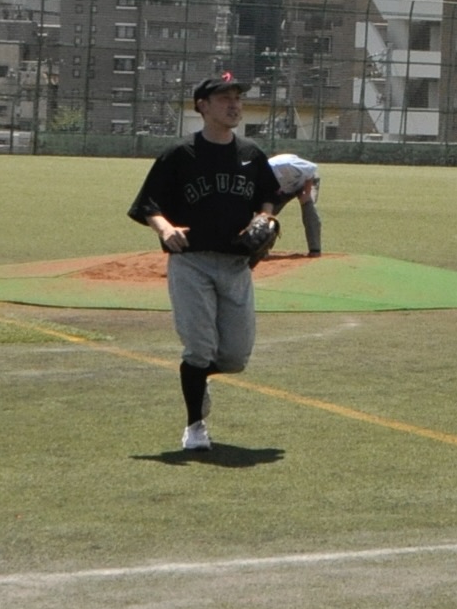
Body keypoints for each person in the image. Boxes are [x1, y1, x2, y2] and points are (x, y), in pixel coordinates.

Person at [128, 72, 287, 454]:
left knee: (234, 357)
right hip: (191, 262)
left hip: (236, 266)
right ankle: (194, 426)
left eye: (237, 98)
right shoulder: (180, 154)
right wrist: (165, 228)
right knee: (199, 348)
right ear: (202, 106)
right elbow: (149, 204)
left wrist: (265, 216)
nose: (234, 105)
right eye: (224, 98)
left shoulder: (251, 153)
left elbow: (267, 196)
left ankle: (199, 379)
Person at [269, 153, 324, 256]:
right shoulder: (262, 174)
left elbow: (311, 169)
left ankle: (315, 249)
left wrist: (306, 194)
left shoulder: (287, 164)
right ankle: (262, 249)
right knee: (265, 216)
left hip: (306, 182)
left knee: (309, 208)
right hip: (285, 189)